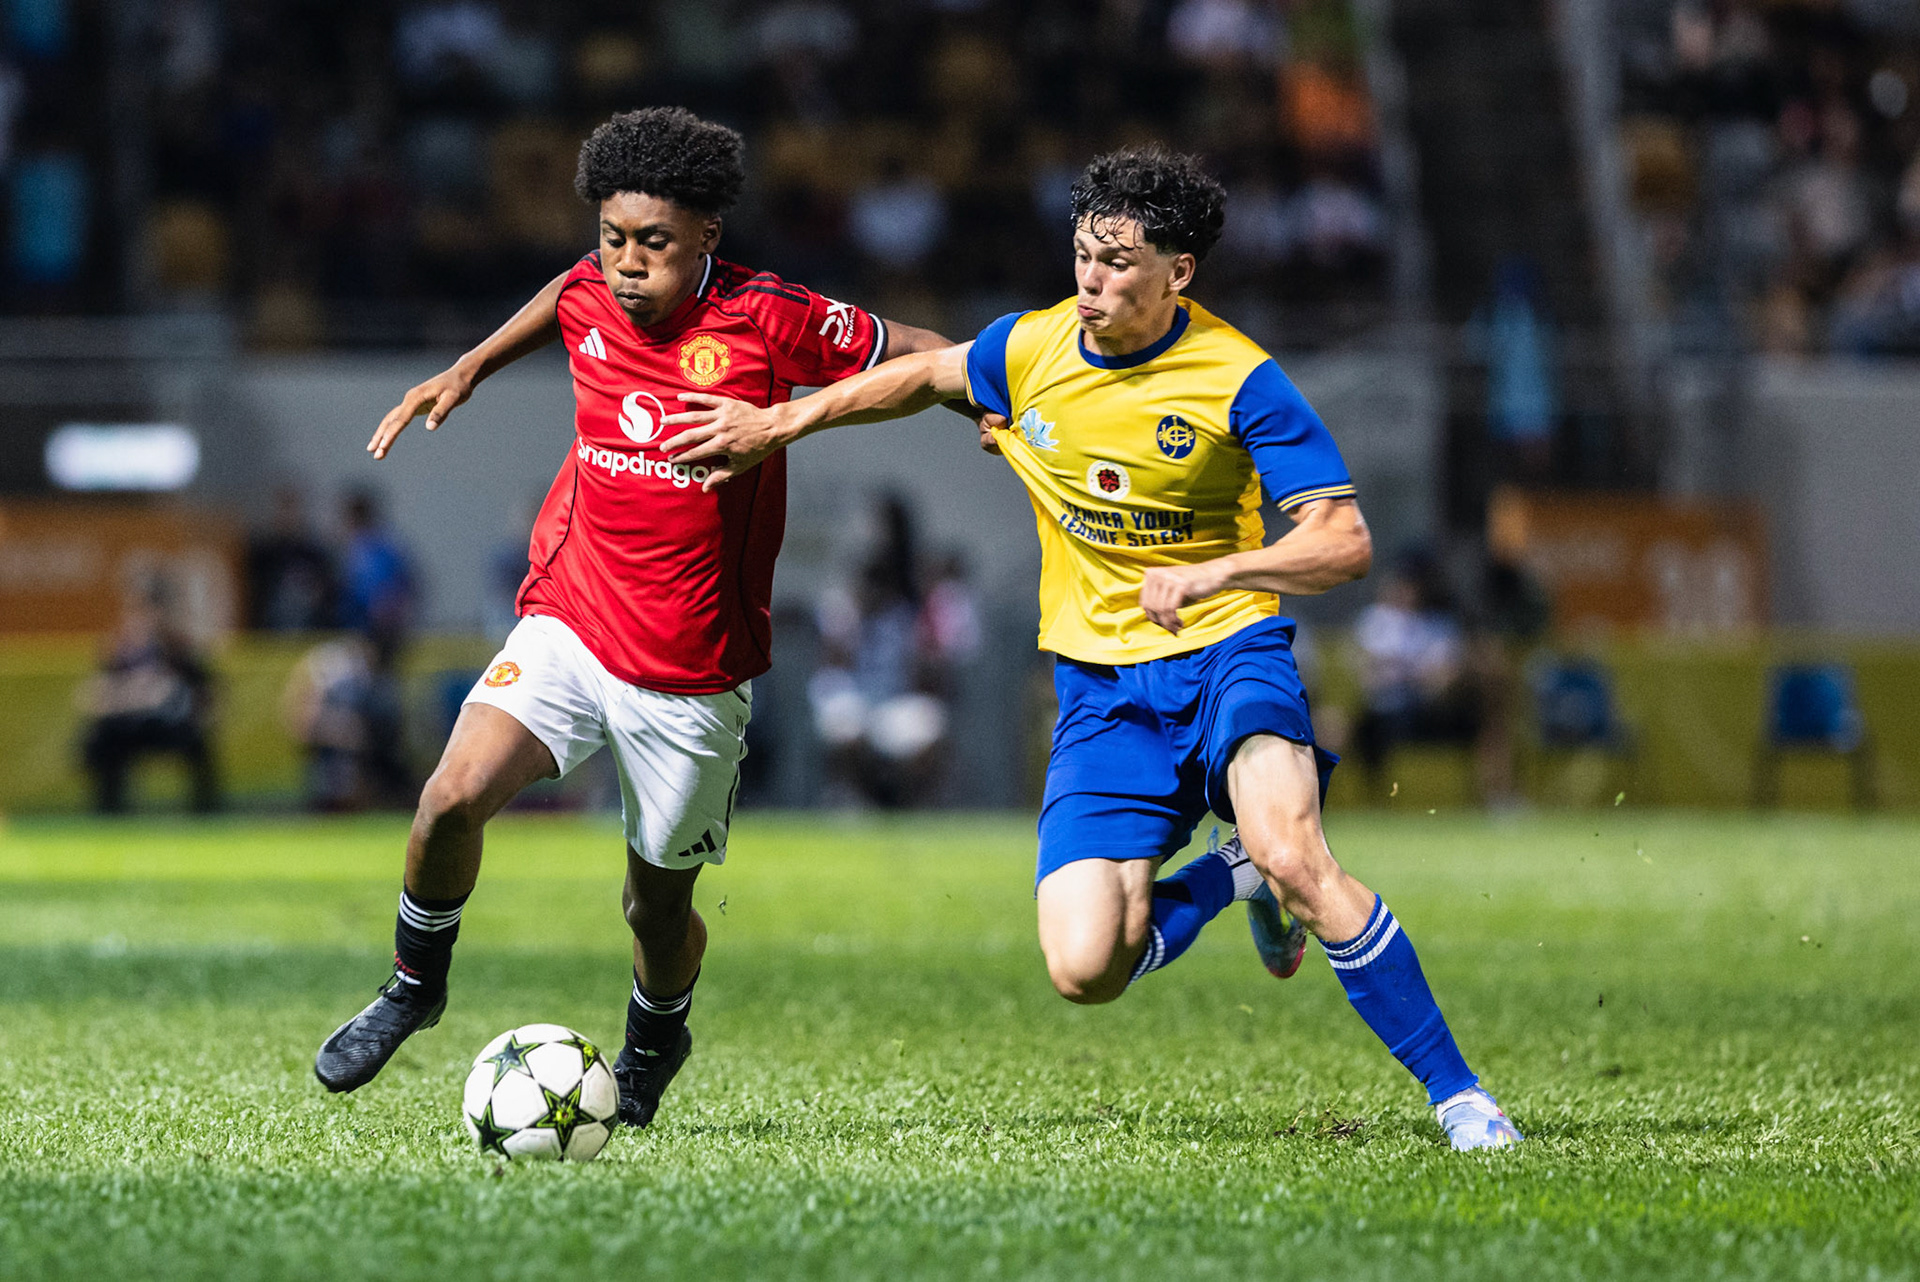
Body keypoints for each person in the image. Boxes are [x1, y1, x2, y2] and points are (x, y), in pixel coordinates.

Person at [660, 148, 1522, 1150]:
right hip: (1103, 692)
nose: (1092, 278)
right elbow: (923, 374)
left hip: (1229, 651)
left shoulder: (1239, 378)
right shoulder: (1030, 349)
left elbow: (1344, 540)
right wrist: (781, 421)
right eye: (1082, 254)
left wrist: (1217, 575)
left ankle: (1462, 1098)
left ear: (1179, 272)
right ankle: (1228, 875)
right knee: (1084, 968)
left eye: (1117, 260)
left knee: (1301, 852)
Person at [312, 107, 961, 1126]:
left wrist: (998, 400)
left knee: (654, 910)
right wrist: (470, 366)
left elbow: (920, 351)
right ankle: (413, 986)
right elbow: (561, 293)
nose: (624, 265)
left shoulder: (769, 318)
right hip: (570, 616)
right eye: (612, 238)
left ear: (707, 234)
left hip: (692, 672)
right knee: (447, 799)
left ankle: (657, 1031)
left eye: (652, 243)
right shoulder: (588, 290)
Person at [80, 582, 219, 814]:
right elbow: (95, 693)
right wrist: (130, 696)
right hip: (129, 725)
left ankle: (207, 810)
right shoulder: (118, 652)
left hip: (168, 725)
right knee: (101, 739)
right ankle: (108, 810)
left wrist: (200, 713)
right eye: (134, 613)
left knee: (197, 741)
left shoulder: (177, 650)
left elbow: (206, 689)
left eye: (146, 612)